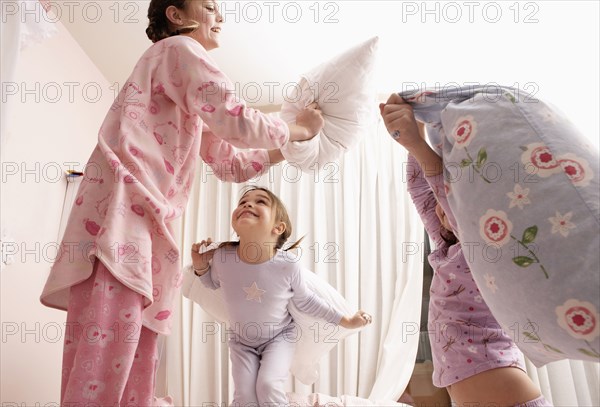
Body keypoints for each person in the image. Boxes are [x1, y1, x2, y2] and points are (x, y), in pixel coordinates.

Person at [39, 0, 324, 404]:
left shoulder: (182, 91)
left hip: (146, 220)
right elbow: (237, 118)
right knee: (109, 355)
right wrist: (296, 129)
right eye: (210, 6)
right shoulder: (178, 51)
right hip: (124, 214)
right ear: (176, 15)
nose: (220, 16)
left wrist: (290, 149)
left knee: (134, 354)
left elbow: (229, 162)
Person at [380, 94, 551, 406]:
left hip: (503, 385)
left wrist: (416, 143)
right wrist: (416, 120)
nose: (440, 206)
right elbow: (421, 188)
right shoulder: (446, 251)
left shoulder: (482, 249)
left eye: (449, 197)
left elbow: (442, 193)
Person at [191, 187, 372, 407]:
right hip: (241, 342)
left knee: (267, 386)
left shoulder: (287, 265)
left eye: (260, 202)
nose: (247, 204)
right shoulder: (222, 258)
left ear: (278, 227)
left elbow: (307, 301)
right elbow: (212, 284)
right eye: (243, 202)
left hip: (279, 338)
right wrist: (200, 267)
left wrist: (347, 320)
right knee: (244, 398)